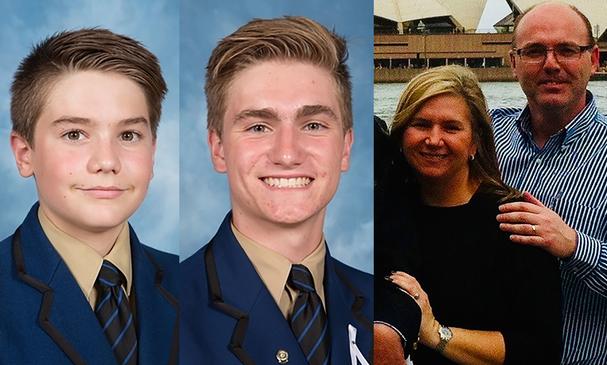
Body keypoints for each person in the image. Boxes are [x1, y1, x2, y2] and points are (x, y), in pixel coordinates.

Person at [180, 16, 372, 364]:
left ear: (345, 148)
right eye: (258, 126)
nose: (287, 154)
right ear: (218, 148)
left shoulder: (379, 303)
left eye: (313, 124)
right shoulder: (159, 315)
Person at [0, 29, 178, 364]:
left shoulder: (189, 284)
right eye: (74, 134)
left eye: (129, 134)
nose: (107, 161)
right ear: (25, 154)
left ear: (152, 152)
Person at [491, 3, 607, 364]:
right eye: (534, 51)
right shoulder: (486, 136)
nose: (551, 64)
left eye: (567, 50)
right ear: (513, 62)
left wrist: (575, 246)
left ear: (593, 59)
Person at [374, 65, 562, 364]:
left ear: (475, 141)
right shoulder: (383, 210)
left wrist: (434, 332)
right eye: (421, 124)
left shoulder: (514, 222)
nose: (434, 140)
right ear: (401, 133)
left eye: (451, 128)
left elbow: (539, 350)